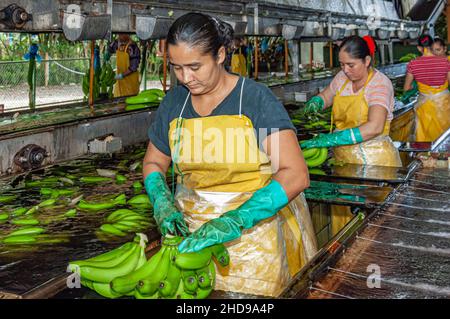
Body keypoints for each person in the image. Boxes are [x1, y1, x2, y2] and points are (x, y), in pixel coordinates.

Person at [142, 12, 317, 297]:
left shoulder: (255, 100)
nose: (186, 78)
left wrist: (235, 220)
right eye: (177, 68)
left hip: (254, 240)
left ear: (220, 54)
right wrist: (161, 201)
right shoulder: (174, 103)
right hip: (191, 236)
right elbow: (154, 161)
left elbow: (295, 174)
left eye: (195, 66)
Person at [301, 35, 402, 236]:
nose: (345, 70)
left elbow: (374, 126)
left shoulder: (379, 84)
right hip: (345, 163)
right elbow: (327, 95)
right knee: (347, 224)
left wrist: (330, 139)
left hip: (375, 165)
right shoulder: (342, 78)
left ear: (367, 61)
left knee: (374, 228)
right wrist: (316, 102)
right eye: (341, 64)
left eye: (351, 65)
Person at [404, 34, 450, 142]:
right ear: (432, 45)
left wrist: (417, 86)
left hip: (425, 108)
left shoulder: (413, 64)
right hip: (444, 105)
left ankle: (426, 158)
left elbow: (407, 87)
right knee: (444, 138)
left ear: (419, 48)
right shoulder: (445, 62)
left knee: (426, 139)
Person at [104, 33, 141, 97]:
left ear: (128, 34)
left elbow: (134, 67)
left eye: (123, 34)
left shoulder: (133, 47)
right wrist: (107, 54)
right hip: (120, 81)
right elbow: (110, 49)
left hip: (130, 81)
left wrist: (121, 75)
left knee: (130, 100)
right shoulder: (116, 43)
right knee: (118, 98)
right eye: (119, 34)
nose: (120, 36)